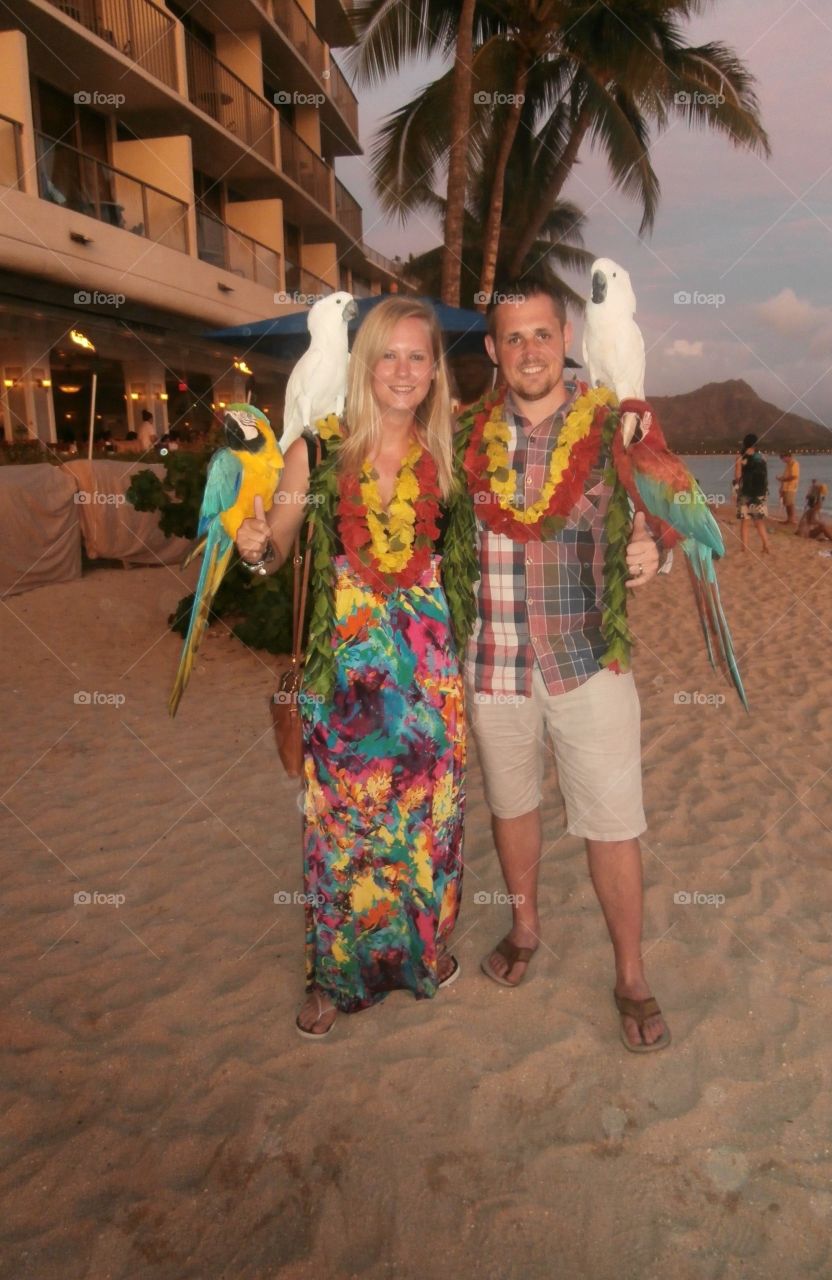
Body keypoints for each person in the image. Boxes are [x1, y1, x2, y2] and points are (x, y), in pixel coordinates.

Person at [233, 298, 468, 1039]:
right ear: (363, 363)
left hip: (430, 680)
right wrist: (254, 545)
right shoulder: (319, 448)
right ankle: (333, 979)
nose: (402, 371)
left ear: (433, 371)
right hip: (350, 679)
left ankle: (415, 959)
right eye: (387, 356)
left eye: (417, 357)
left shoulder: (446, 458)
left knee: (424, 828)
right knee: (344, 831)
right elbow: (277, 545)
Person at [462, 280, 668, 1053]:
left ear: (567, 334)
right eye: (512, 339)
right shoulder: (463, 437)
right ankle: (524, 928)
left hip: (588, 664)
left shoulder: (615, 428)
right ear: (492, 350)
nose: (529, 352)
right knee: (511, 808)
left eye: (541, 335)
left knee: (613, 826)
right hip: (493, 665)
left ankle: (632, 973)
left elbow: (661, 519)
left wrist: (656, 552)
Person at [734, 433, 771, 553]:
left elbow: (738, 476)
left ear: (745, 443)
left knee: (745, 521)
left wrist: (735, 489)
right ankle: (766, 544)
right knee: (758, 520)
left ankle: (744, 547)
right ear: (756, 444)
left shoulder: (740, 458)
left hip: (746, 493)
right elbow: (765, 476)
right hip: (760, 493)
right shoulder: (763, 457)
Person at [777, 450, 799, 524]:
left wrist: (783, 479)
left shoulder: (794, 463)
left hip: (791, 487)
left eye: (783, 458)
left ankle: (792, 519)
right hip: (786, 487)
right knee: (787, 503)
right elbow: (786, 476)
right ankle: (789, 519)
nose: (783, 460)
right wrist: (781, 482)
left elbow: (794, 476)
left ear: (788, 457)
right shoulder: (788, 464)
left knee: (790, 503)